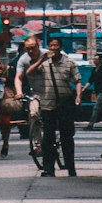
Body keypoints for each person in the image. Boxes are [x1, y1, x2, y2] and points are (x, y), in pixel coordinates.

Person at [26, 37, 81, 177]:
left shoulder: (69, 63)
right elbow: (29, 72)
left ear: (60, 47)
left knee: (66, 137)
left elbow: (78, 80)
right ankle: (48, 168)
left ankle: (70, 167)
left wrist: (78, 96)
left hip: (65, 103)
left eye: (55, 45)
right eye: (50, 45)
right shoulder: (45, 63)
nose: (53, 48)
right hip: (48, 104)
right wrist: (41, 60)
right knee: (48, 138)